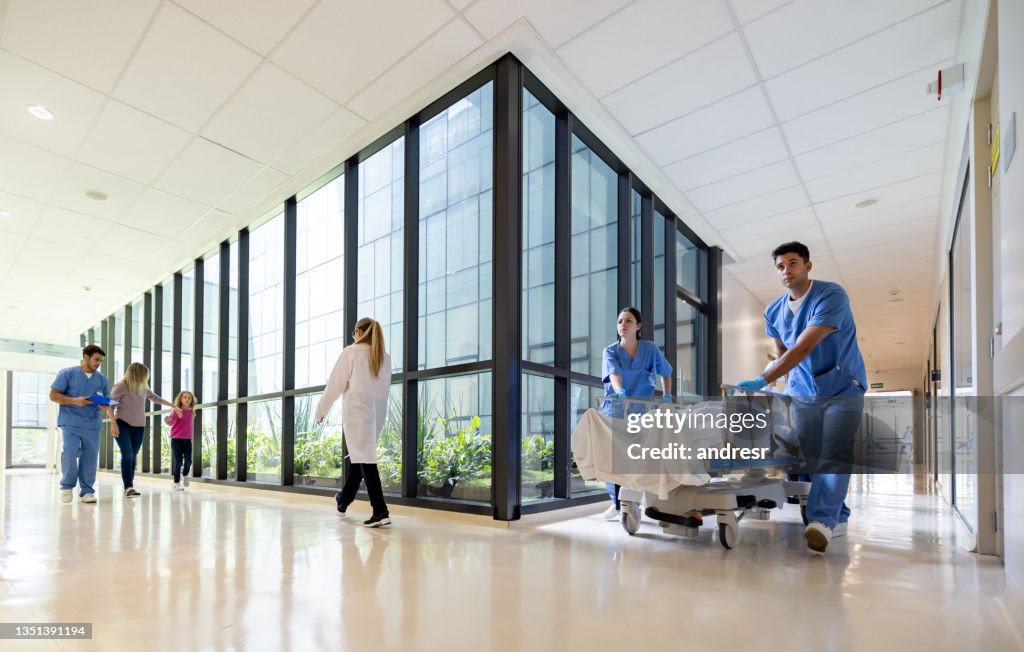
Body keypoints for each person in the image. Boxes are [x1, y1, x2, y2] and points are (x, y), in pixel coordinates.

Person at [735, 242, 866, 553]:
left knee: (835, 451)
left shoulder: (831, 295)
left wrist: (763, 377)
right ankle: (839, 514)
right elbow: (783, 354)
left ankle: (821, 522)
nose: (786, 270)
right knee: (810, 456)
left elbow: (804, 347)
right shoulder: (772, 311)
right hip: (803, 392)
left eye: (793, 263)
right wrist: (775, 384)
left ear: (808, 265)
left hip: (841, 387)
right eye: (780, 266)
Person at [315, 317, 393, 528]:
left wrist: (321, 411)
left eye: (354, 333)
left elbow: (335, 385)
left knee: (365, 459)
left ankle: (380, 510)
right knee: (361, 458)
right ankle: (343, 500)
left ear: (359, 332)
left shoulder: (352, 353)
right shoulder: (384, 358)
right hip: (377, 415)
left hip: (358, 414)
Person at [600, 307, 673, 521]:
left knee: (639, 455)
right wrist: (620, 390)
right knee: (615, 457)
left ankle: (638, 500)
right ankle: (616, 502)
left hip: (642, 410)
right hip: (616, 408)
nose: (623, 324)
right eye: (620, 321)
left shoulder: (649, 349)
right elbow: (614, 373)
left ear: (638, 326)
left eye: (628, 321)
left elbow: (666, 372)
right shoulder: (610, 351)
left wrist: (667, 396)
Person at [50, 345, 111, 504]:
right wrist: (74, 401)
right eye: (96, 359)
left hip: (92, 423)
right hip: (71, 421)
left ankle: (87, 491)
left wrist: (104, 405)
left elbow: (106, 398)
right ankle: (67, 486)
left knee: (90, 457)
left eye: (101, 361)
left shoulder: (102, 379)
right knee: (69, 452)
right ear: (85, 356)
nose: (98, 363)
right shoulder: (67, 374)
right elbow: (54, 395)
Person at [110, 363, 178, 497]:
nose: (146, 378)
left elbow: (156, 398)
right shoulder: (121, 386)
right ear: (137, 374)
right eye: (144, 376)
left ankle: (130, 486)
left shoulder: (144, 388)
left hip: (139, 426)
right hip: (122, 423)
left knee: (133, 455)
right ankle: (128, 487)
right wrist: (113, 423)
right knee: (127, 454)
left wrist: (174, 406)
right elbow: (110, 405)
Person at [165, 391, 196, 491]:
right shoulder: (176, 411)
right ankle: (176, 482)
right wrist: (168, 419)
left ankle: (185, 474)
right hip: (176, 439)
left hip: (187, 440)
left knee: (188, 460)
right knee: (178, 461)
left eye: (189, 398)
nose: (187, 399)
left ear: (191, 400)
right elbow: (170, 422)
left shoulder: (192, 412)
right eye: (185, 397)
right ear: (181, 399)